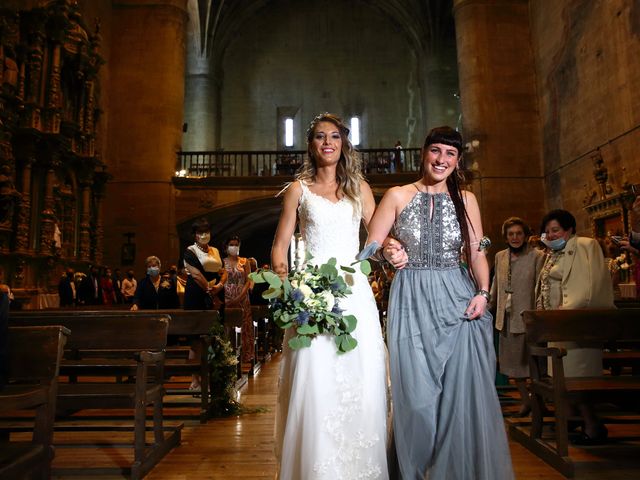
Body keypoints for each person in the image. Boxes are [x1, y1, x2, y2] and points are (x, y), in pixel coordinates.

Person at [365, 126, 514, 479]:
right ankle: (414, 469)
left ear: (457, 160)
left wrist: (483, 292)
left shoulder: (467, 199)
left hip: (459, 300)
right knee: (415, 397)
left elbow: (478, 251)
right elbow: (371, 244)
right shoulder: (398, 194)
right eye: (436, 151)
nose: (441, 160)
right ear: (424, 153)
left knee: (458, 396)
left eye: (450, 154)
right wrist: (388, 249)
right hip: (412, 299)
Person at [271, 113, 401, 479]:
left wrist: (390, 249)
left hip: (354, 293)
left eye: (333, 136)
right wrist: (288, 288)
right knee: (315, 377)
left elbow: (375, 239)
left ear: (343, 143)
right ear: (311, 144)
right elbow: (280, 246)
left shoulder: (360, 187)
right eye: (319, 137)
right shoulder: (299, 190)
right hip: (311, 293)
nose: (327, 142)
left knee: (360, 374)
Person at [536, 209, 614, 443]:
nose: (550, 234)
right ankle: (570, 421)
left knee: (579, 377)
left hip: (575, 323)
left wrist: (566, 311)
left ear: (569, 229)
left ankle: (593, 425)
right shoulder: (553, 253)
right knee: (563, 378)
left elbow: (588, 283)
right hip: (557, 325)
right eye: (547, 231)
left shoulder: (583, 245)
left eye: (556, 229)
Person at [489, 217, 545, 416]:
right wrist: (489, 305)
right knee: (512, 365)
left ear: (525, 235)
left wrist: (538, 314)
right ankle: (526, 400)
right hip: (506, 318)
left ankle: (539, 402)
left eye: (519, 233)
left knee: (533, 365)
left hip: (527, 318)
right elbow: (496, 285)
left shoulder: (537, 256)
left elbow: (540, 287)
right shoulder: (500, 256)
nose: (515, 237)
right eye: (511, 234)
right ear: (505, 237)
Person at [182, 218, 227, 312]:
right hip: (198, 291)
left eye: (206, 232)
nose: (204, 235)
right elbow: (196, 275)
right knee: (199, 322)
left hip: (218, 289)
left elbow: (224, 271)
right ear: (195, 235)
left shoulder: (215, 250)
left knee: (218, 323)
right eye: (200, 232)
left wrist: (220, 285)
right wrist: (212, 294)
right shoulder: (190, 250)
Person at [223, 235, 254, 364]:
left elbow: (249, 280)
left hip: (242, 297)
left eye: (236, 244)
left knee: (244, 325)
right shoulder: (222, 261)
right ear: (226, 247)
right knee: (227, 326)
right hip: (226, 297)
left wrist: (240, 296)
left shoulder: (244, 261)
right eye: (231, 244)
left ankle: (245, 354)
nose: (234, 247)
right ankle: (227, 354)